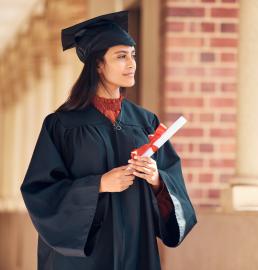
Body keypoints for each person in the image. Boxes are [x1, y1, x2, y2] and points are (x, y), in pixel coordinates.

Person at [20, 11, 197, 270]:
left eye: (133, 55)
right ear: (98, 65)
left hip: (136, 249)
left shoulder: (145, 121)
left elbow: (175, 188)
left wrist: (157, 179)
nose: (132, 64)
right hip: (84, 259)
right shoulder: (61, 125)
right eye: (121, 56)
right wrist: (98, 185)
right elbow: (41, 192)